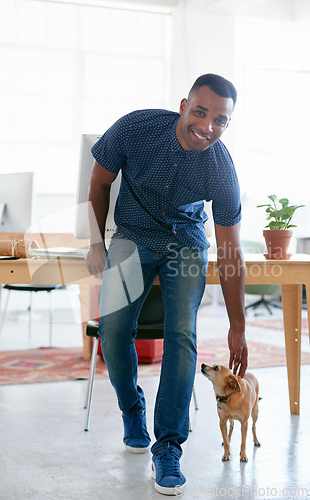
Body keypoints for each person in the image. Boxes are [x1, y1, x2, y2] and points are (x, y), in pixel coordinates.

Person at [86, 73, 248, 496]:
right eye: (200, 112)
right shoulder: (136, 128)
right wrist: (94, 242)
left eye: (220, 120)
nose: (208, 126)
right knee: (113, 329)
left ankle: (169, 447)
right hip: (132, 236)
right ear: (183, 105)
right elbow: (99, 183)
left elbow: (230, 251)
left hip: (187, 244)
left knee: (182, 334)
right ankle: (131, 408)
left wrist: (238, 325)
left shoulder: (221, 168)